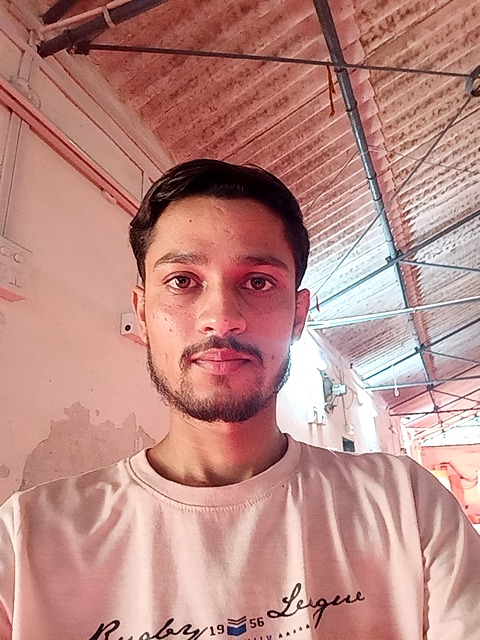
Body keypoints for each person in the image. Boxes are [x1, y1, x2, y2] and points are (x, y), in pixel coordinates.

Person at [0, 159, 479, 640]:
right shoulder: (25, 542)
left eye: (258, 281)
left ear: (298, 316)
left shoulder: (407, 505)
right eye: (183, 280)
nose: (222, 317)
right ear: (142, 314)